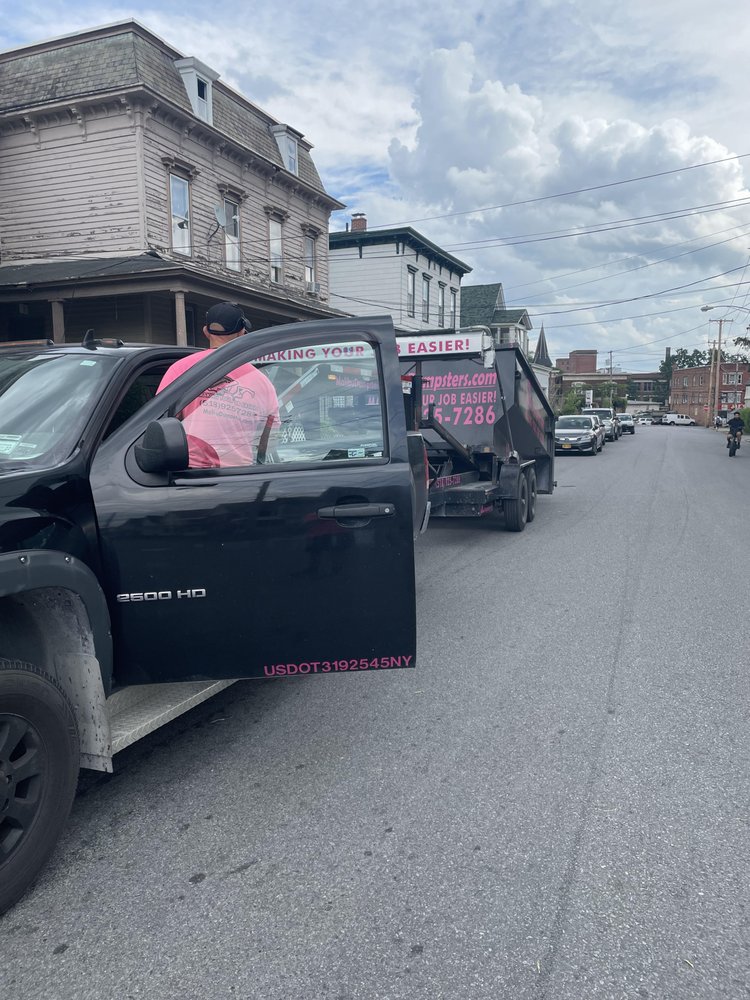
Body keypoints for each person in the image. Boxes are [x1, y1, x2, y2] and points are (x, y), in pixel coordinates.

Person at [157, 302, 279, 468]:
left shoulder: (181, 369)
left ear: (206, 332)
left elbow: (161, 423)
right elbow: (268, 442)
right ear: (243, 333)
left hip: (188, 477)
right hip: (240, 477)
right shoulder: (262, 382)